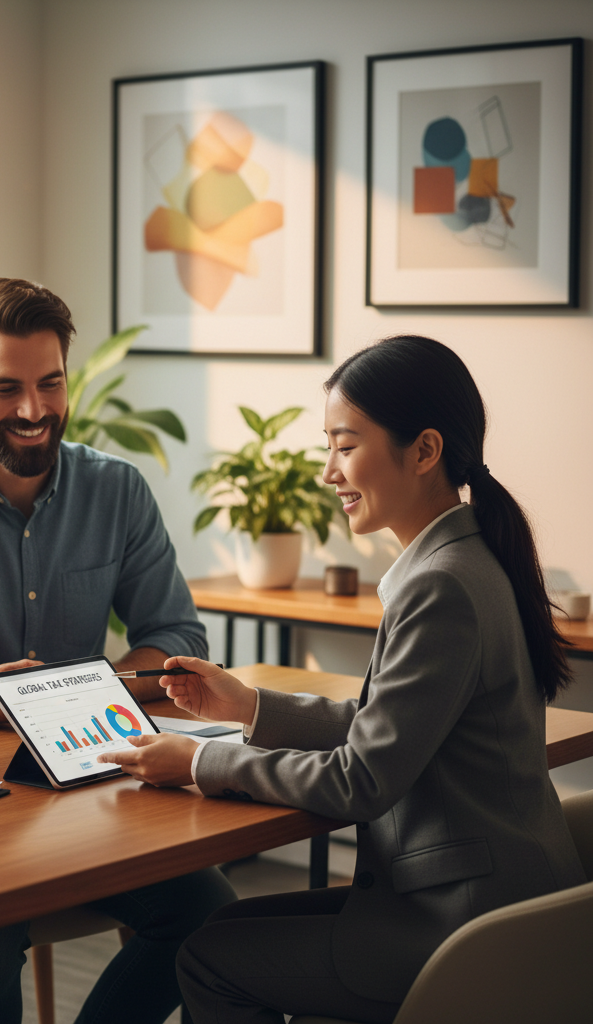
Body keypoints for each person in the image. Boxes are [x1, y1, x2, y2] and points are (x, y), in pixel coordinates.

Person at [97, 335, 586, 1024]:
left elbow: (361, 780)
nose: (329, 471)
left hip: (461, 923)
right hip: (499, 897)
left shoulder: (440, 586)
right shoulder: (474, 554)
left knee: (208, 961)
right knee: (213, 936)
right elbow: (388, 726)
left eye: (345, 445)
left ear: (424, 450)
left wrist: (202, 760)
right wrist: (250, 706)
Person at [0, 277, 235, 1024]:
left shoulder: (117, 491)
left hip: (92, 792)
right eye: (7, 389)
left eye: (50, 384)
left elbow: (177, 637)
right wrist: (8, 699)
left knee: (209, 913)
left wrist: (77, 689)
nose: (34, 411)